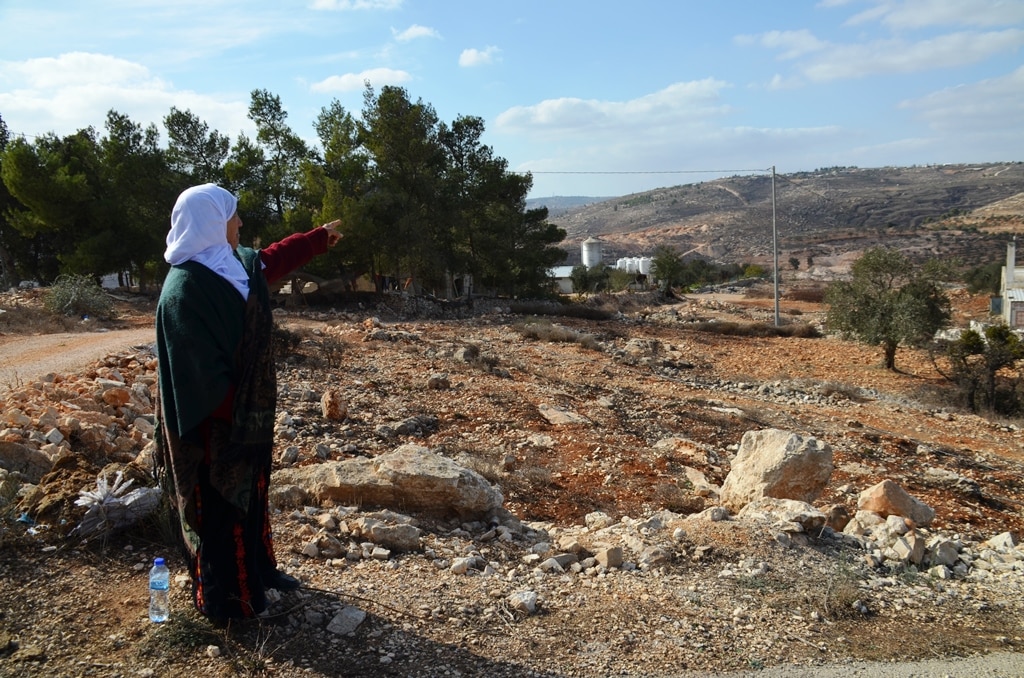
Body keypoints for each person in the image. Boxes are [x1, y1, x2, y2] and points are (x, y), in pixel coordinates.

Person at [155, 183, 342, 622]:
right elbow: (197, 374)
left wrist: (317, 239)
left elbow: (269, 260)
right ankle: (229, 604)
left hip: (245, 417)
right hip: (213, 425)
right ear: (211, 225)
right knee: (220, 507)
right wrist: (238, 421)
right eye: (232, 217)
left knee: (251, 496)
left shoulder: (231, 264)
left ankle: (257, 572)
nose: (240, 224)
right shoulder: (185, 291)